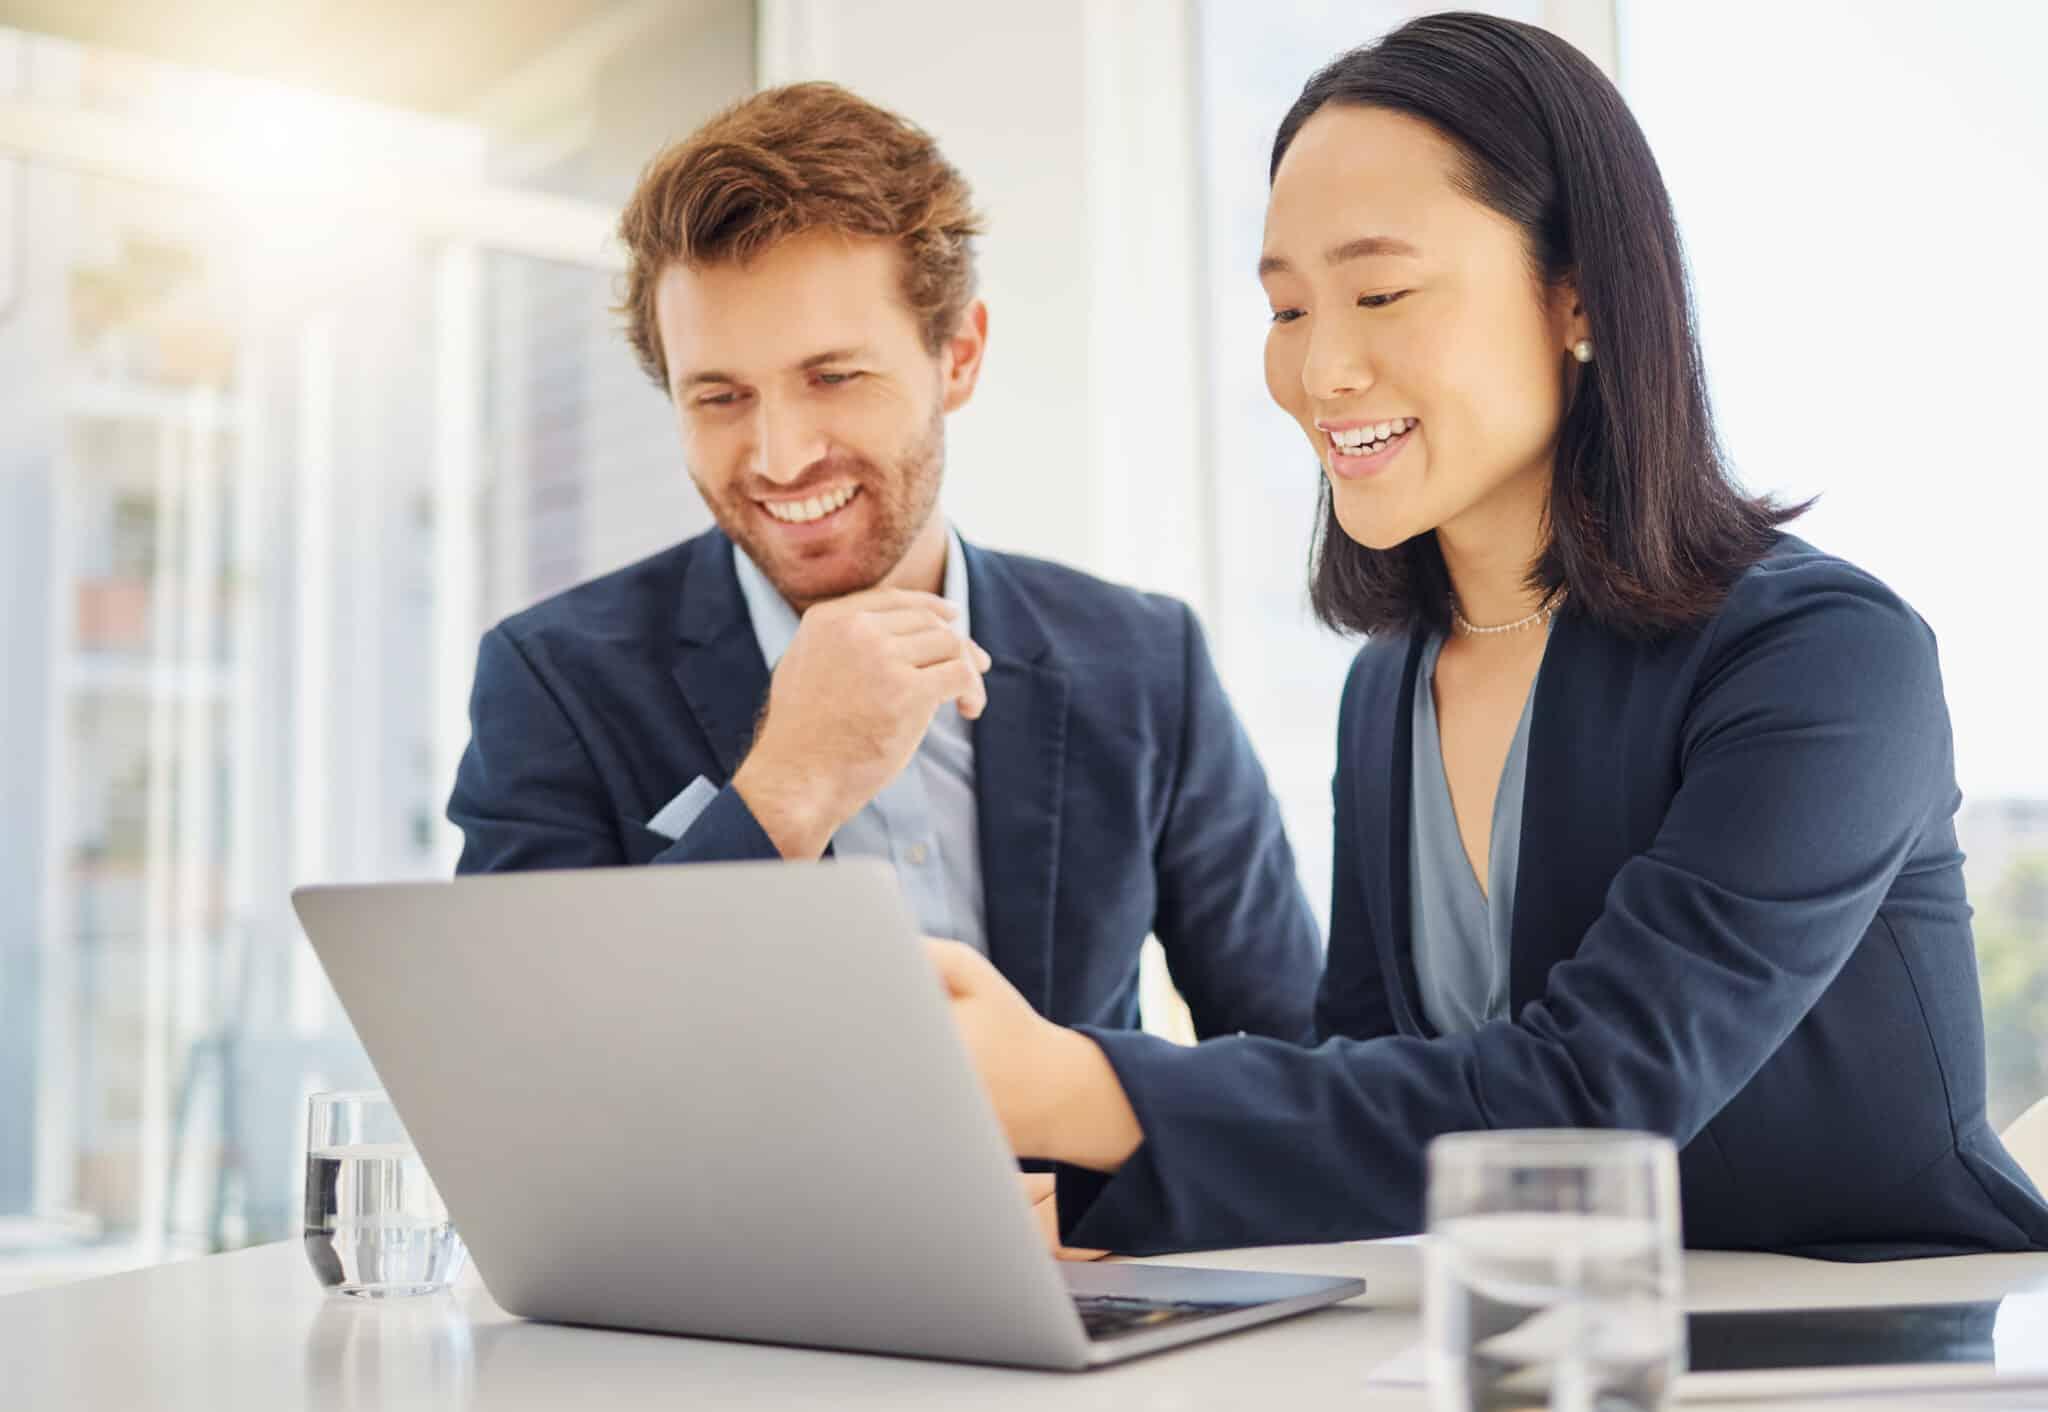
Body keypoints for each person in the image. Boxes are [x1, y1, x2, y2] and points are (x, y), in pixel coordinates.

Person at [931, 12, 2048, 1259]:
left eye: (1380, 291)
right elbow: (1364, 1079)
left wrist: (1087, 1089)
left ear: (1575, 297)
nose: (1320, 369)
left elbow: (1596, 1095)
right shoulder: (1389, 687)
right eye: (1287, 308)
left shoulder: (1828, 657)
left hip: (1887, 1344)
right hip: (1541, 1338)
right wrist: (1092, 1198)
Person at [446, 83, 1322, 1044]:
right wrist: (785, 788)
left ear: (959, 356)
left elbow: (1291, 1066)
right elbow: (532, 1067)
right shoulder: (555, 682)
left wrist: (1110, 1176)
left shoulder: (1147, 663)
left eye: (833, 377)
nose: (780, 457)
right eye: (721, 397)